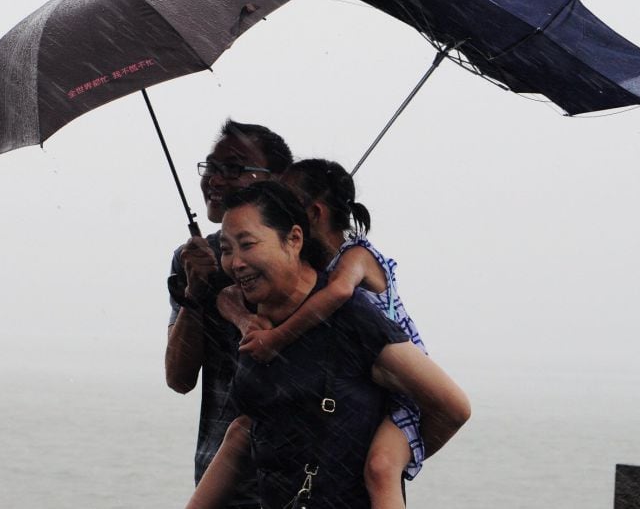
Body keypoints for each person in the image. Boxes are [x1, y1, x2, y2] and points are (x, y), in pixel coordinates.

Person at [190, 182, 469, 509]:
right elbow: (247, 426)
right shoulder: (256, 320)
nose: (235, 262)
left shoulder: (351, 319)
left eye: (247, 245)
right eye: (226, 248)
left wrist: (384, 465)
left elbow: (452, 408)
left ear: (294, 239)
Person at [165, 120, 293, 508]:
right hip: (220, 480)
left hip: (300, 478)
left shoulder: (309, 257)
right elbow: (179, 378)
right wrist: (195, 291)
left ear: (279, 181)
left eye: (234, 169)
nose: (216, 180)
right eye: (211, 167)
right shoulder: (192, 259)